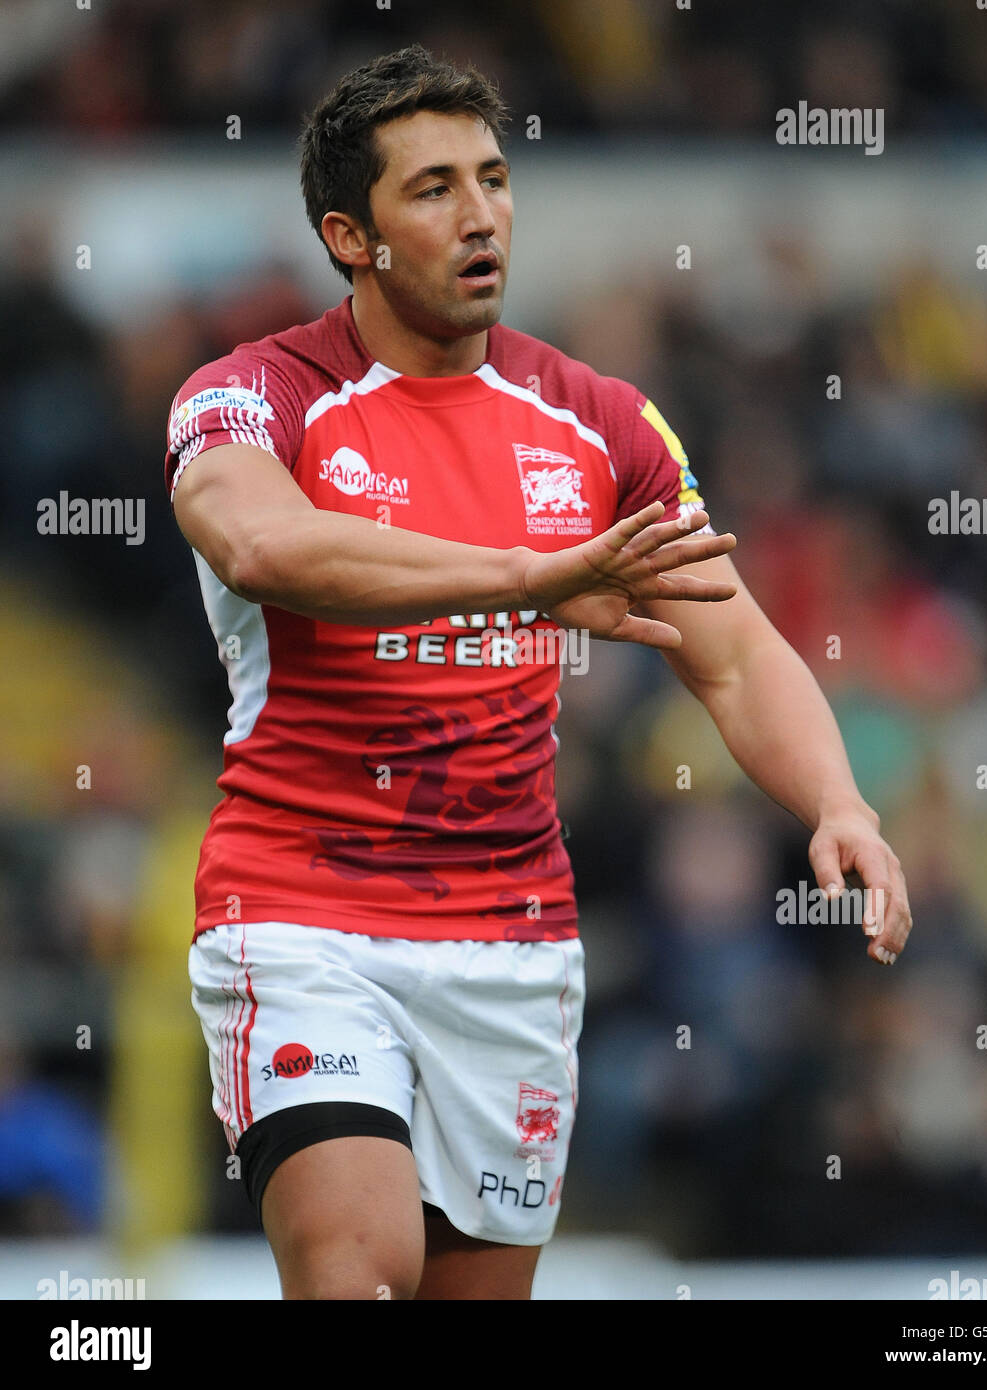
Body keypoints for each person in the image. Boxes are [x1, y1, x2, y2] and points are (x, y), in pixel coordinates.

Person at [165, 43, 912, 1301]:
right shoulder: (254, 398)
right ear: (351, 236)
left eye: (494, 178)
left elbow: (729, 652)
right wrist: (529, 577)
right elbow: (262, 544)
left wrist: (838, 802)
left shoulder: (599, 420)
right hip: (301, 914)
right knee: (358, 1271)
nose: (479, 216)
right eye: (433, 189)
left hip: (511, 939)